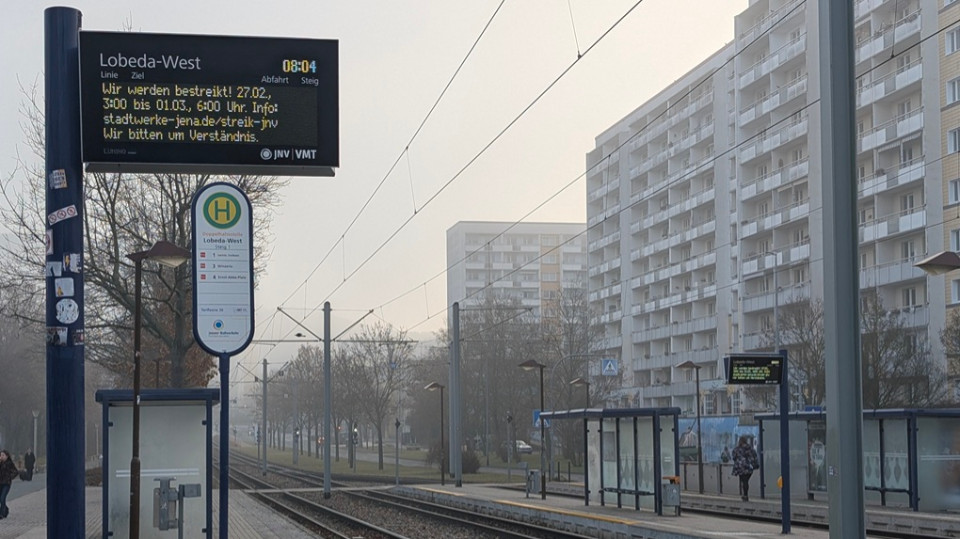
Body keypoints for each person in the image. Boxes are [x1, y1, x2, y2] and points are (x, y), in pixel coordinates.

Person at [732, 435, 759, 501]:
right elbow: (755, 456)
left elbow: (734, 457)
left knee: (744, 481)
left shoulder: (737, 449)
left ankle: (745, 495)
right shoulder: (750, 448)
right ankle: (745, 494)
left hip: (740, 468)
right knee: (746, 481)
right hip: (749, 467)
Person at [0, 450, 19, 519]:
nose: (1, 457)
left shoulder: (9, 463)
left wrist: (10, 477)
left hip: (6, 483)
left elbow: (16, 472)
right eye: (1, 455)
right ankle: (5, 509)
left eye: (3, 455)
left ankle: (1, 514)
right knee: (0, 499)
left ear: (7, 456)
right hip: (0, 483)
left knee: (2, 498)